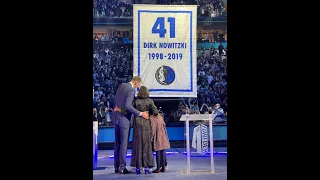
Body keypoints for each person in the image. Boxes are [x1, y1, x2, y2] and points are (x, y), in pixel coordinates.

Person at [114, 86, 158, 175]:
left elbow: (128, 110)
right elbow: (155, 111)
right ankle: (146, 167)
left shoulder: (135, 101)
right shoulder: (150, 101)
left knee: (137, 145)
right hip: (146, 124)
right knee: (147, 145)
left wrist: (119, 109)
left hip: (137, 124)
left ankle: (138, 167)